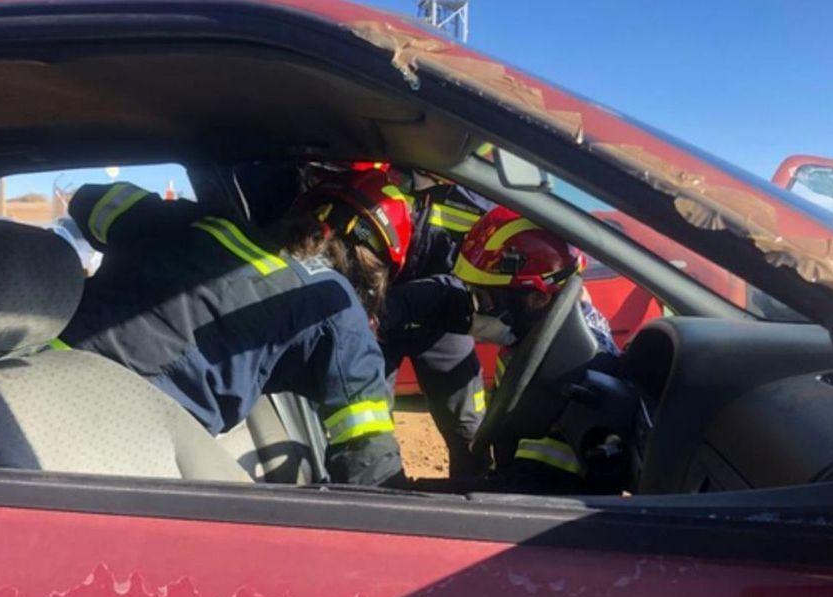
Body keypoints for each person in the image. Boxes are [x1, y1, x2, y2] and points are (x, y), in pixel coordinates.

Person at [58, 181, 404, 487]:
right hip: (128, 442)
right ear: (374, 270)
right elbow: (367, 449)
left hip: (50, 373)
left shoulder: (207, 223)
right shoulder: (334, 301)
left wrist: (167, 219)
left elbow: (89, 201)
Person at [303, 166, 494, 479]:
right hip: (374, 323)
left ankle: (475, 498)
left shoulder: (480, 200)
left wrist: (424, 297)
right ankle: (381, 498)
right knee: (365, 424)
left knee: (469, 429)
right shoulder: (376, 171)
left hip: (441, 326)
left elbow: (480, 277)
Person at [452, 205, 621, 493]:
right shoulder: (538, 340)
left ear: (538, 299)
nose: (476, 310)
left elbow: (533, 488)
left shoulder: (574, 370)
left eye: (485, 298)